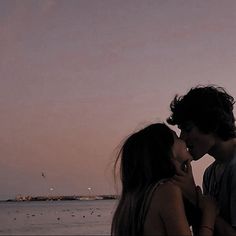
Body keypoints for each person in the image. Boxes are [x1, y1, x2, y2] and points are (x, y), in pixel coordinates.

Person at [111, 123, 218, 236]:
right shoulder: (167, 192)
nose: (183, 139)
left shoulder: (130, 203)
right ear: (168, 151)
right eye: (176, 137)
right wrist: (209, 216)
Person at [167, 85, 236, 235]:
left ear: (212, 124)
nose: (182, 138)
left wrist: (196, 198)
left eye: (188, 129)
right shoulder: (210, 173)